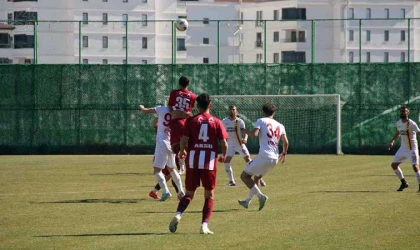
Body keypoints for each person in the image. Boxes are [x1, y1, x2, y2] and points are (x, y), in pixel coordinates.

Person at [168, 93, 228, 235]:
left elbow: (184, 139)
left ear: (196, 106)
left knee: (189, 193)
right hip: (209, 162)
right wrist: (223, 155)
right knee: (209, 194)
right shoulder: (216, 121)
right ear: (210, 105)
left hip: (193, 160)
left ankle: (178, 213)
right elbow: (224, 142)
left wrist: (182, 151)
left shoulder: (191, 120)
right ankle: (204, 226)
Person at [238, 103, 289, 211]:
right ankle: (247, 201)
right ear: (273, 113)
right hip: (274, 158)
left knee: (244, 176)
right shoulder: (280, 125)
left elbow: (254, 134)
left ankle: (261, 196)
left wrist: (244, 131)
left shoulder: (261, 120)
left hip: (264, 156)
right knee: (257, 178)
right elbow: (286, 142)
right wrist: (284, 152)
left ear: (263, 112)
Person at [139, 104, 185, 201]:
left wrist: (142, 107)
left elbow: (146, 111)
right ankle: (181, 191)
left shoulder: (162, 108)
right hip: (171, 143)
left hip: (162, 142)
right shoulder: (178, 112)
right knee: (172, 169)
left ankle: (165, 191)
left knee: (157, 170)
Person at [222, 105, 267, 186]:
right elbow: (222, 133)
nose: (231, 111)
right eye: (230, 109)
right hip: (230, 145)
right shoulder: (224, 121)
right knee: (226, 161)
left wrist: (245, 138)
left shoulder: (240, 121)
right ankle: (232, 181)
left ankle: (259, 178)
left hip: (240, 144)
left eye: (233, 109)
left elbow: (244, 132)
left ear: (237, 111)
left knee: (249, 161)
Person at [167, 76, 197, 173]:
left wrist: (174, 113)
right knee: (186, 145)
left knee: (175, 147)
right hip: (187, 122)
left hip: (176, 122)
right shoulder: (193, 96)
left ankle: (180, 167)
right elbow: (189, 110)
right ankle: (188, 165)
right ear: (188, 84)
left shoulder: (174, 93)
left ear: (179, 83)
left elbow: (170, 107)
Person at [387, 106, 420, 192]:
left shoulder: (412, 123)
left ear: (408, 113)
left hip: (412, 149)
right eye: (401, 111)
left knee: (415, 166)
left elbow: (418, 132)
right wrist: (392, 141)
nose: (402, 113)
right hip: (403, 148)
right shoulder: (398, 123)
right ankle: (404, 183)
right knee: (394, 165)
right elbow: (398, 132)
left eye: (404, 111)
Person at [149, 118, 183, 200]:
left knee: (168, 172)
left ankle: (159, 191)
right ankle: (179, 192)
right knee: (170, 172)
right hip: (170, 149)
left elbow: (154, 122)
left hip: (168, 149)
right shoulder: (176, 123)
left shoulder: (167, 125)